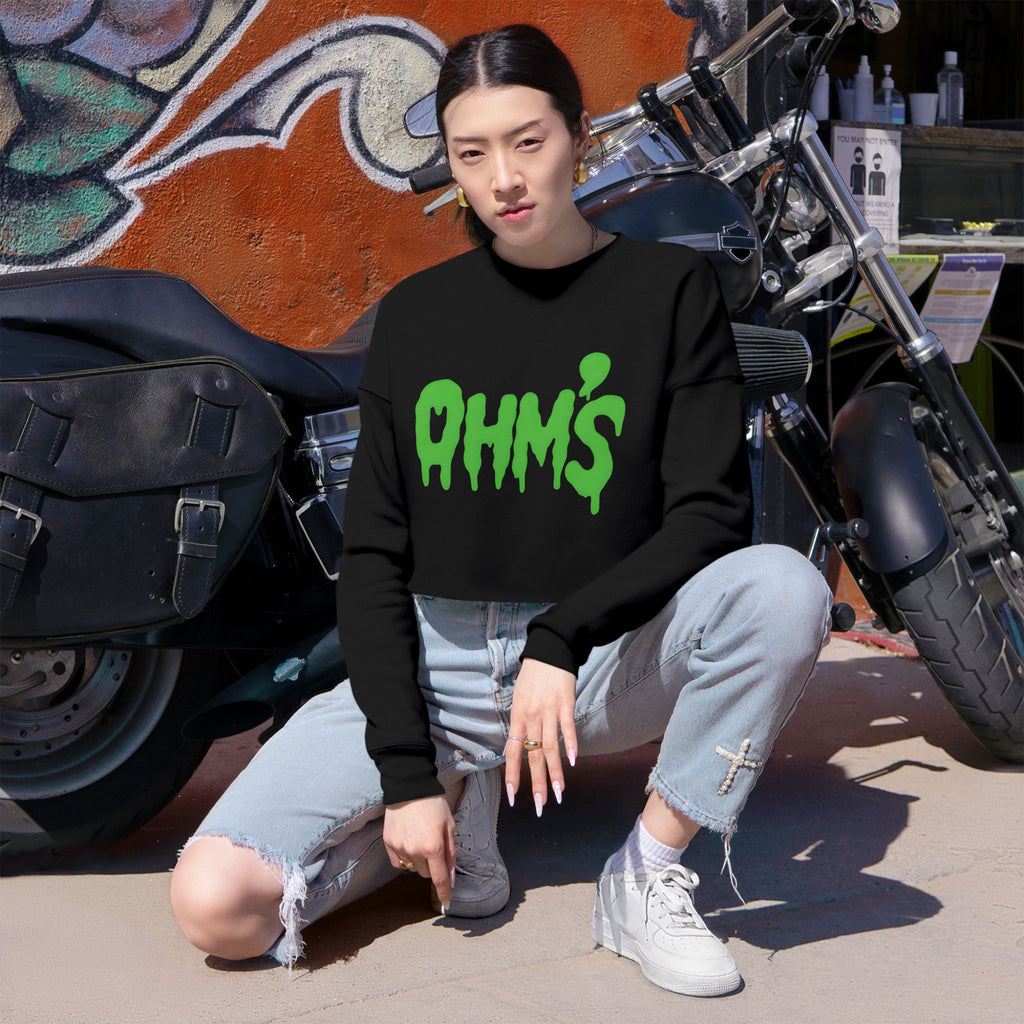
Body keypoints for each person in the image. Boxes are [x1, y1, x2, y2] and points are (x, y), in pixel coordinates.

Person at [170, 24, 832, 999]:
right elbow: (375, 557)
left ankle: (645, 873)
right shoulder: (418, 317)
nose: (505, 179)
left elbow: (709, 517)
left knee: (784, 590)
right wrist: (405, 774)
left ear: (579, 136)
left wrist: (561, 639)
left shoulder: (667, 291)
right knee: (217, 907)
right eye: (472, 153)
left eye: (529, 141)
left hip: (601, 662)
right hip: (436, 668)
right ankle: (446, 806)